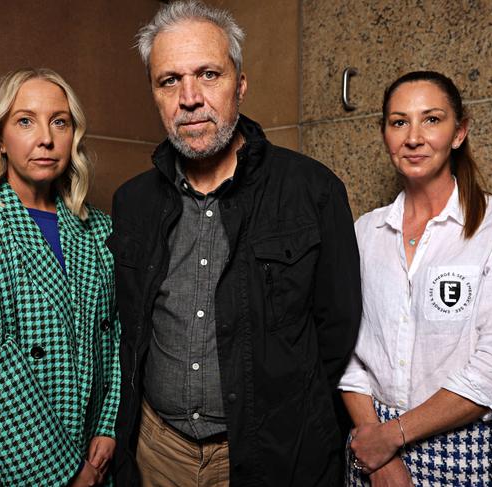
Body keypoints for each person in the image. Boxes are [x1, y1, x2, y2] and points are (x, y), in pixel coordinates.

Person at [108, 1, 361, 486]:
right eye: (169, 81)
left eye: (208, 74)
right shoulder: (132, 202)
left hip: (273, 455)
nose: (189, 97)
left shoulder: (312, 190)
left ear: (240, 84)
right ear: (155, 95)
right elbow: (131, 331)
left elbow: (337, 328)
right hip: (158, 455)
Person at [339, 70, 492, 486]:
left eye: (431, 119)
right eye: (399, 122)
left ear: (459, 132)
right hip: (370, 448)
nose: (413, 137)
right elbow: (347, 351)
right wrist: (377, 450)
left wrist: (393, 436)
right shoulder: (364, 232)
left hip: (466, 448)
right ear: (385, 134)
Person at [0, 68, 121, 486]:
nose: (46, 138)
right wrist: (67, 474)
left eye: (60, 122)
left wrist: (108, 423)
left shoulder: (100, 231)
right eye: (25, 121)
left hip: (93, 452)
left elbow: (117, 334)